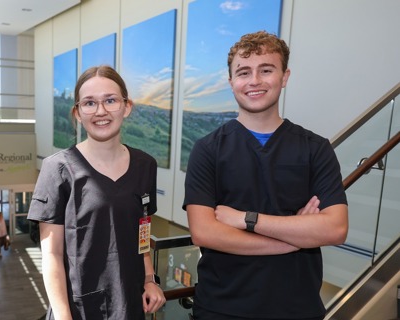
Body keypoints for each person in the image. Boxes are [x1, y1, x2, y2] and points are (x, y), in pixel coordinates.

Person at [183, 30, 349, 320]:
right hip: (222, 309)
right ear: (231, 81)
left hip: (297, 309)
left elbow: (334, 229)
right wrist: (294, 237)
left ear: (284, 76)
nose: (254, 81)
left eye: (266, 70)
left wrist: (246, 219)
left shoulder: (315, 149)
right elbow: (205, 232)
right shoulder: (208, 149)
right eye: (244, 72)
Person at [27, 65, 166, 319]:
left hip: (130, 304)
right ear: (78, 113)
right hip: (77, 309)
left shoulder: (145, 165)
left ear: (127, 106)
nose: (100, 111)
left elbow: (142, 230)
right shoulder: (57, 169)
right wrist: (62, 316)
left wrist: (149, 279)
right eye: (89, 103)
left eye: (110, 100)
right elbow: (51, 255)